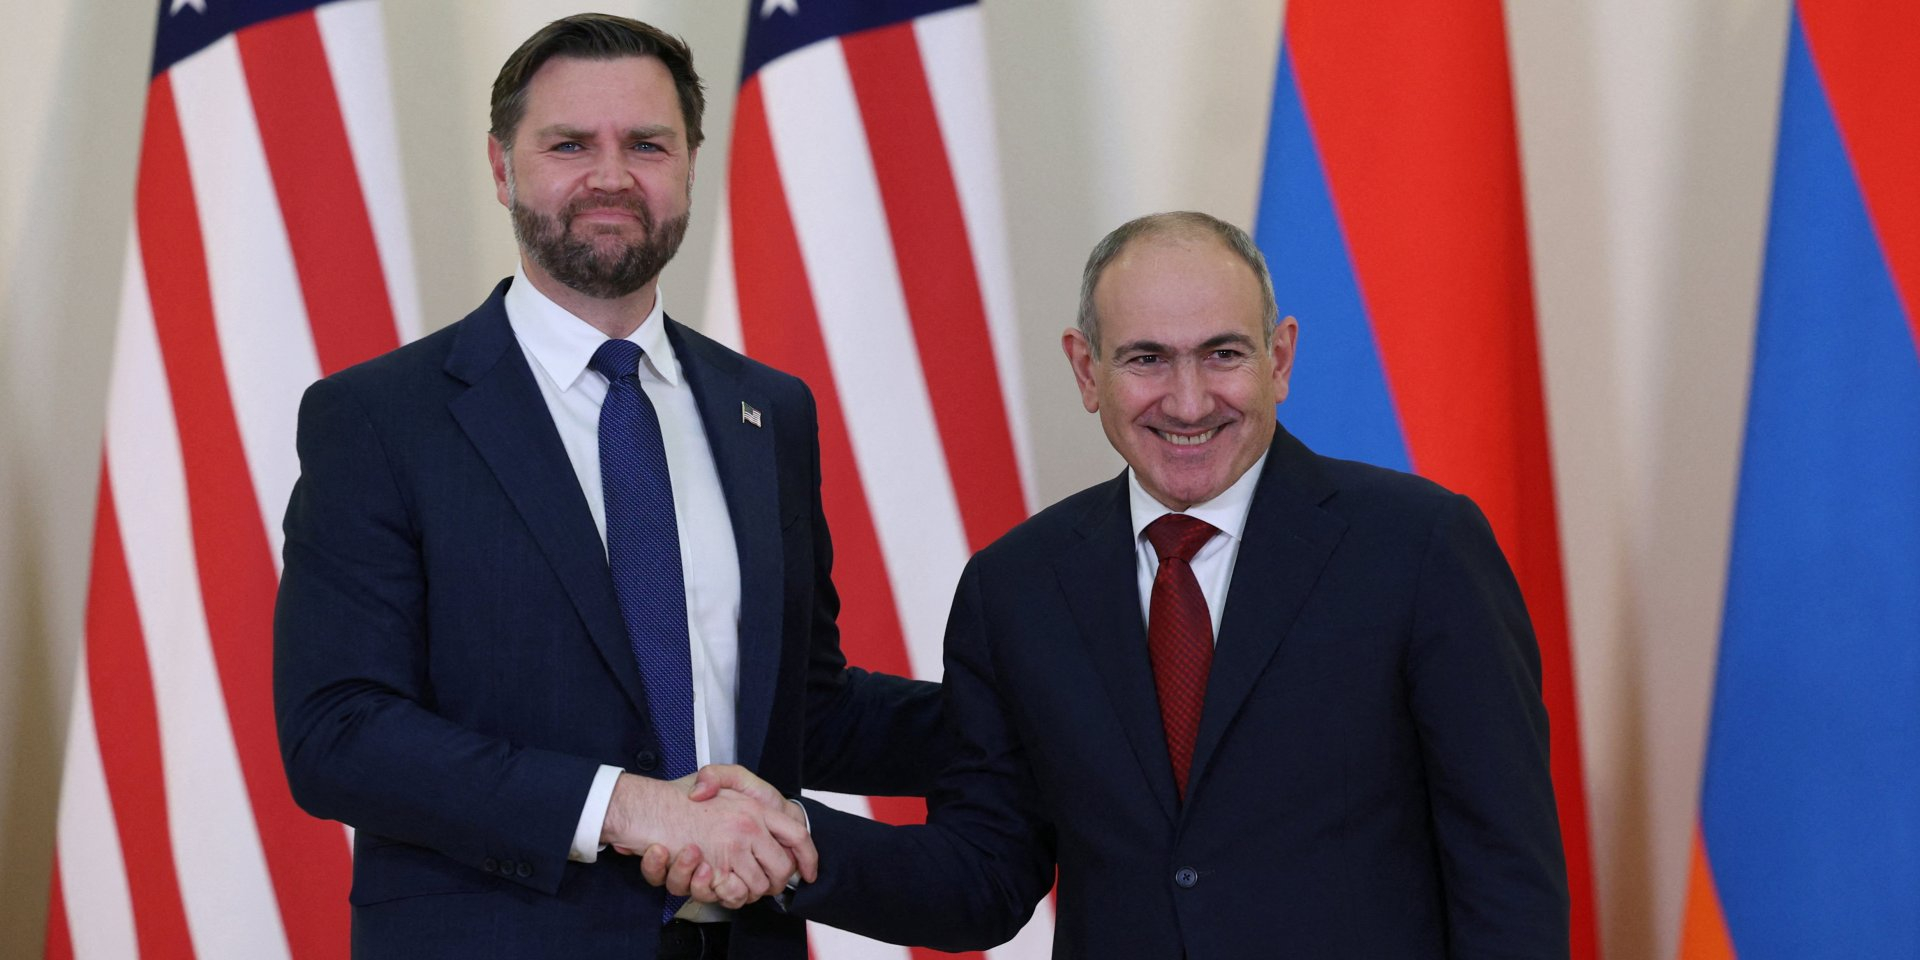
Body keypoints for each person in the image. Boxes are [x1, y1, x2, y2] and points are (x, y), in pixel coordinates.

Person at [669, 211, 1571, 957]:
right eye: (1146, 359)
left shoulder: (1418, 547)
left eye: (1223, 354)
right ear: (1084, 370)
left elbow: (1507, 875)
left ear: (1281, 358)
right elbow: (984, 878)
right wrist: (794, 844)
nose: (1187, 401)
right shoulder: (1015, 587)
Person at [272, 14, 942, 960]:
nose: (612, 176)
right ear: (503, 168)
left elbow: (805, 709)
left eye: (647, 145)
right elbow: (338, 733)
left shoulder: (770, 412)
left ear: (691, 166)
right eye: (570, 144)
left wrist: (1048, 709)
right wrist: (628, 809)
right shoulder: (381, 418)